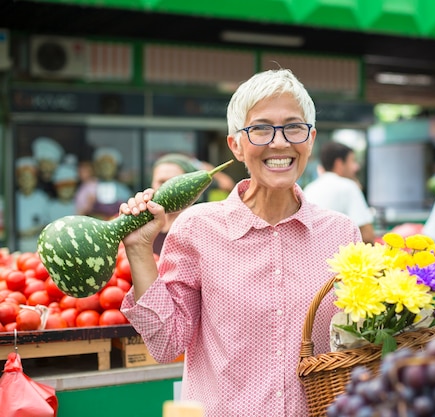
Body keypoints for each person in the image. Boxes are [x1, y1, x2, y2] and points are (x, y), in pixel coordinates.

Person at [119, 69, 361, 416]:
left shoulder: (341, 234)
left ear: (310, 139)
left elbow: (355, 345)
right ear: (236, 145)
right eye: (261, 129)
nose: (279, 143)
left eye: (293, 127)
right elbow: (165, 343)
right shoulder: (197, 229)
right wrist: (140, 250)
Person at [150, 152, 235, 254]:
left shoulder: (201, 228)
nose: (168, 188)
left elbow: (227, 185)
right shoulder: (145, 226)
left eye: (173, 182)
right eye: (161, 182)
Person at [304, 141, 376, 243]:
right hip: (340, 257)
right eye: (352, 161)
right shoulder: (348, 187)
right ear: (339, 164)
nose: (356, 167)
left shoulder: (309, 188)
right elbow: (367, 236)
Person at [74, 147, 133, 219]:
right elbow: (79, 212)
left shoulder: (123, 189)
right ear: (97, 167)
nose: (106, 168)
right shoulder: (89, 187)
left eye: (109, 166)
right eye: (103, 165)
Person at [15, 156, 50, 252]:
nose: (26, 181)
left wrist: (35, 229)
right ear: (18, 180)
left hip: (37, 245)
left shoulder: (42, 198)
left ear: (35, 180)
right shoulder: (14, 198)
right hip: (16, 244)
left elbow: (48, 222)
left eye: (30, 178)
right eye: (23, 178)